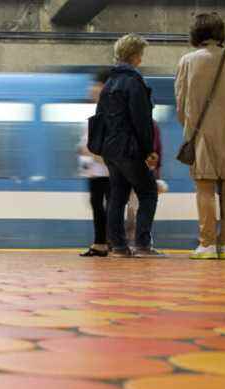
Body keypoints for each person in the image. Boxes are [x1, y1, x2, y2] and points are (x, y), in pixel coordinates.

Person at [175, 12, 225, 260]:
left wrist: (190, 127)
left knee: (204, 187)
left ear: (196, 34)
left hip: (200, 134)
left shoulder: (188, 61)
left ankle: (207, 244)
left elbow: (181, 104)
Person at [97, 33, 163, 258]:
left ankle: (119, 246)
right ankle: (143, 245)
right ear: (135, 55)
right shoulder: (134, 82)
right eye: (141, 54)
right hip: (129, 149)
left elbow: (100, 119)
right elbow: (141, 121)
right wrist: (149, 150)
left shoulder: (109, 83)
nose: (141, 59)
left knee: (117, 196)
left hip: (111, 151)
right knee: (148, 192)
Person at [79, 69, 112, 257]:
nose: (91, 89)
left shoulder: (110, 113)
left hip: (107, 172)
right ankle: (101, 243)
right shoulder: (96, 111)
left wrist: (90, 152)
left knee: (107, 208)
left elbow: (107, 146)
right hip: (94, 171)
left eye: (95, 85)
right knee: (98, 207)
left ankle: (107, 243)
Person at [125, 120, 164, 246]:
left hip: (126, 170)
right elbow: (157, 150)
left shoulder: (124, 122)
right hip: (144, 171)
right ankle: (140, 240)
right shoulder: (151, 124)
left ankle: (126, 239)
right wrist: (156, 173)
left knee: (131, 206)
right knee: (138, 206)